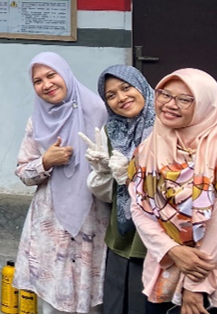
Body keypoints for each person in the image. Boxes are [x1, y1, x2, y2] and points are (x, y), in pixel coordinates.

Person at [129, 68, 217, 314]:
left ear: (205, 104)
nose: (170, 104)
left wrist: (195, 285)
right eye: (164, 94)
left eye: (185, 99)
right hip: (165, 274)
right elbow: (139, 207)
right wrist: (172, 250)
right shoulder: (149, 149)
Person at [13, 52, 109, 314]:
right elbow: (23, 173)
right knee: (53, 300)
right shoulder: (37, 121)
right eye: (38, 80)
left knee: (93, 300)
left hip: (94, 218)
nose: (46, 84)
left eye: (51, 75)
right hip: (50, 222)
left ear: (65, 73)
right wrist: (45, 161)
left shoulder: (99, 111)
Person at [80, 65, 154, 314]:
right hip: (121, 235)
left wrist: (131, 177)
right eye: (111, 95)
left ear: (141, 86)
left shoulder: (164, 129)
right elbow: (108, 196)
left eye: (126, 88)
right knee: (115, 304)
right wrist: (102, 172)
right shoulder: (112, 131)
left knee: (142, 305)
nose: (121, 98)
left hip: (154, 240)